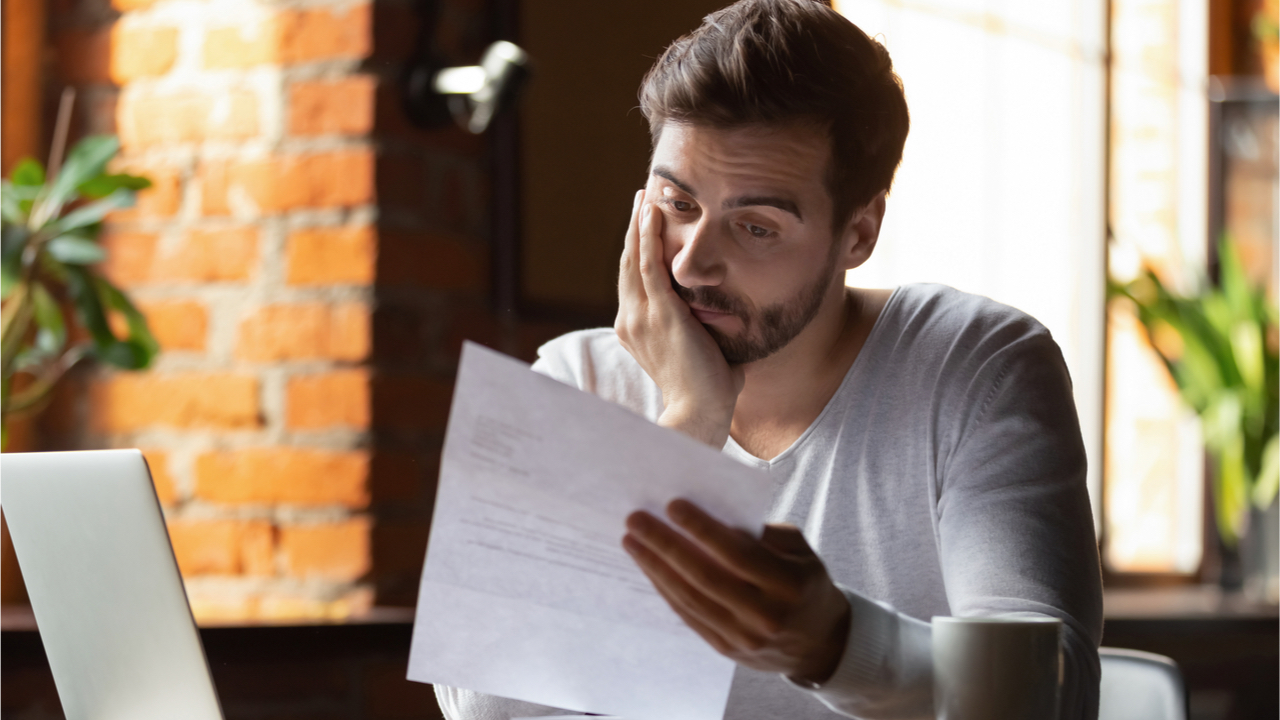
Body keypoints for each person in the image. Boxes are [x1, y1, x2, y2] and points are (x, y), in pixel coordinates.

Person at [436, 0, 1103, 717]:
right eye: (677, 203)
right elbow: (487, 709)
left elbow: (1049, 693)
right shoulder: (577, 381)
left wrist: (835, 645)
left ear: (858, 233)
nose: (692, 264)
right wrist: (689, 424)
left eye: (755, 226)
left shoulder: (978, 366)